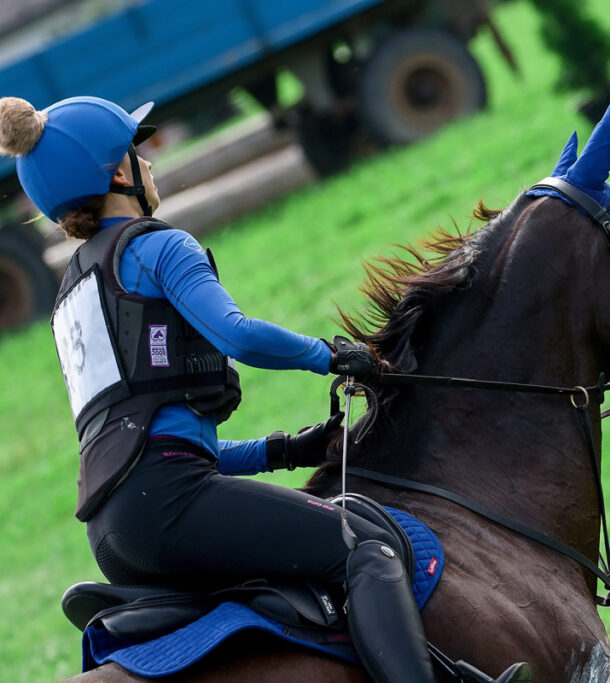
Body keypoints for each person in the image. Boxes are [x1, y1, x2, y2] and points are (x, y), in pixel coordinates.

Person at [0, 96, 528, 683]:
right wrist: (332, 356)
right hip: (170, 505)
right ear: (119, 173)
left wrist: (282, 451)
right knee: (366, 549)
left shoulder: (71, 297)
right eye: (139, 152)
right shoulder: (157, 247)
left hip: (115, 533)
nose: (150, 163)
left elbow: (150, 443)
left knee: (340, 546)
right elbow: (239, 337)